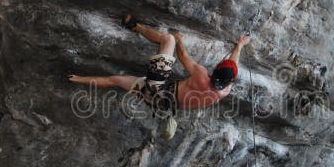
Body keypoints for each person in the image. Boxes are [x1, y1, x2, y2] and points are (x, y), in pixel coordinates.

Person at [68, 15, 251, 113]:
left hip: (158, 88)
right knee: (115, 80)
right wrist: (240, 45)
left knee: (168, 40)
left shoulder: (201, 75)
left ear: (217, 70)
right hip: (159, 104)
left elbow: (182, 55)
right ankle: (75, 79)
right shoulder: (224, 92)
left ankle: (135, 26)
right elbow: (231, 68)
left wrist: (180, 40)